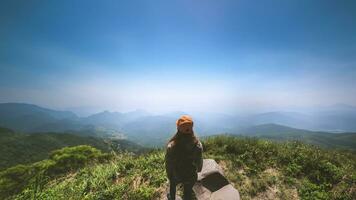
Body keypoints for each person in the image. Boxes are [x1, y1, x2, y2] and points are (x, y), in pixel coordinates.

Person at [165, 115, 203, 200]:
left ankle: (172, 197)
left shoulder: (171, 146)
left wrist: (169, 175)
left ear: (178, 129)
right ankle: (187, 196)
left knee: (172, 185)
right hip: (191, 175)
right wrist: (198, 170)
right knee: (188, 191)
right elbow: (199, 165)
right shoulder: (198, 145)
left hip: (176, 175)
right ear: (191, 128)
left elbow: (168, 164)